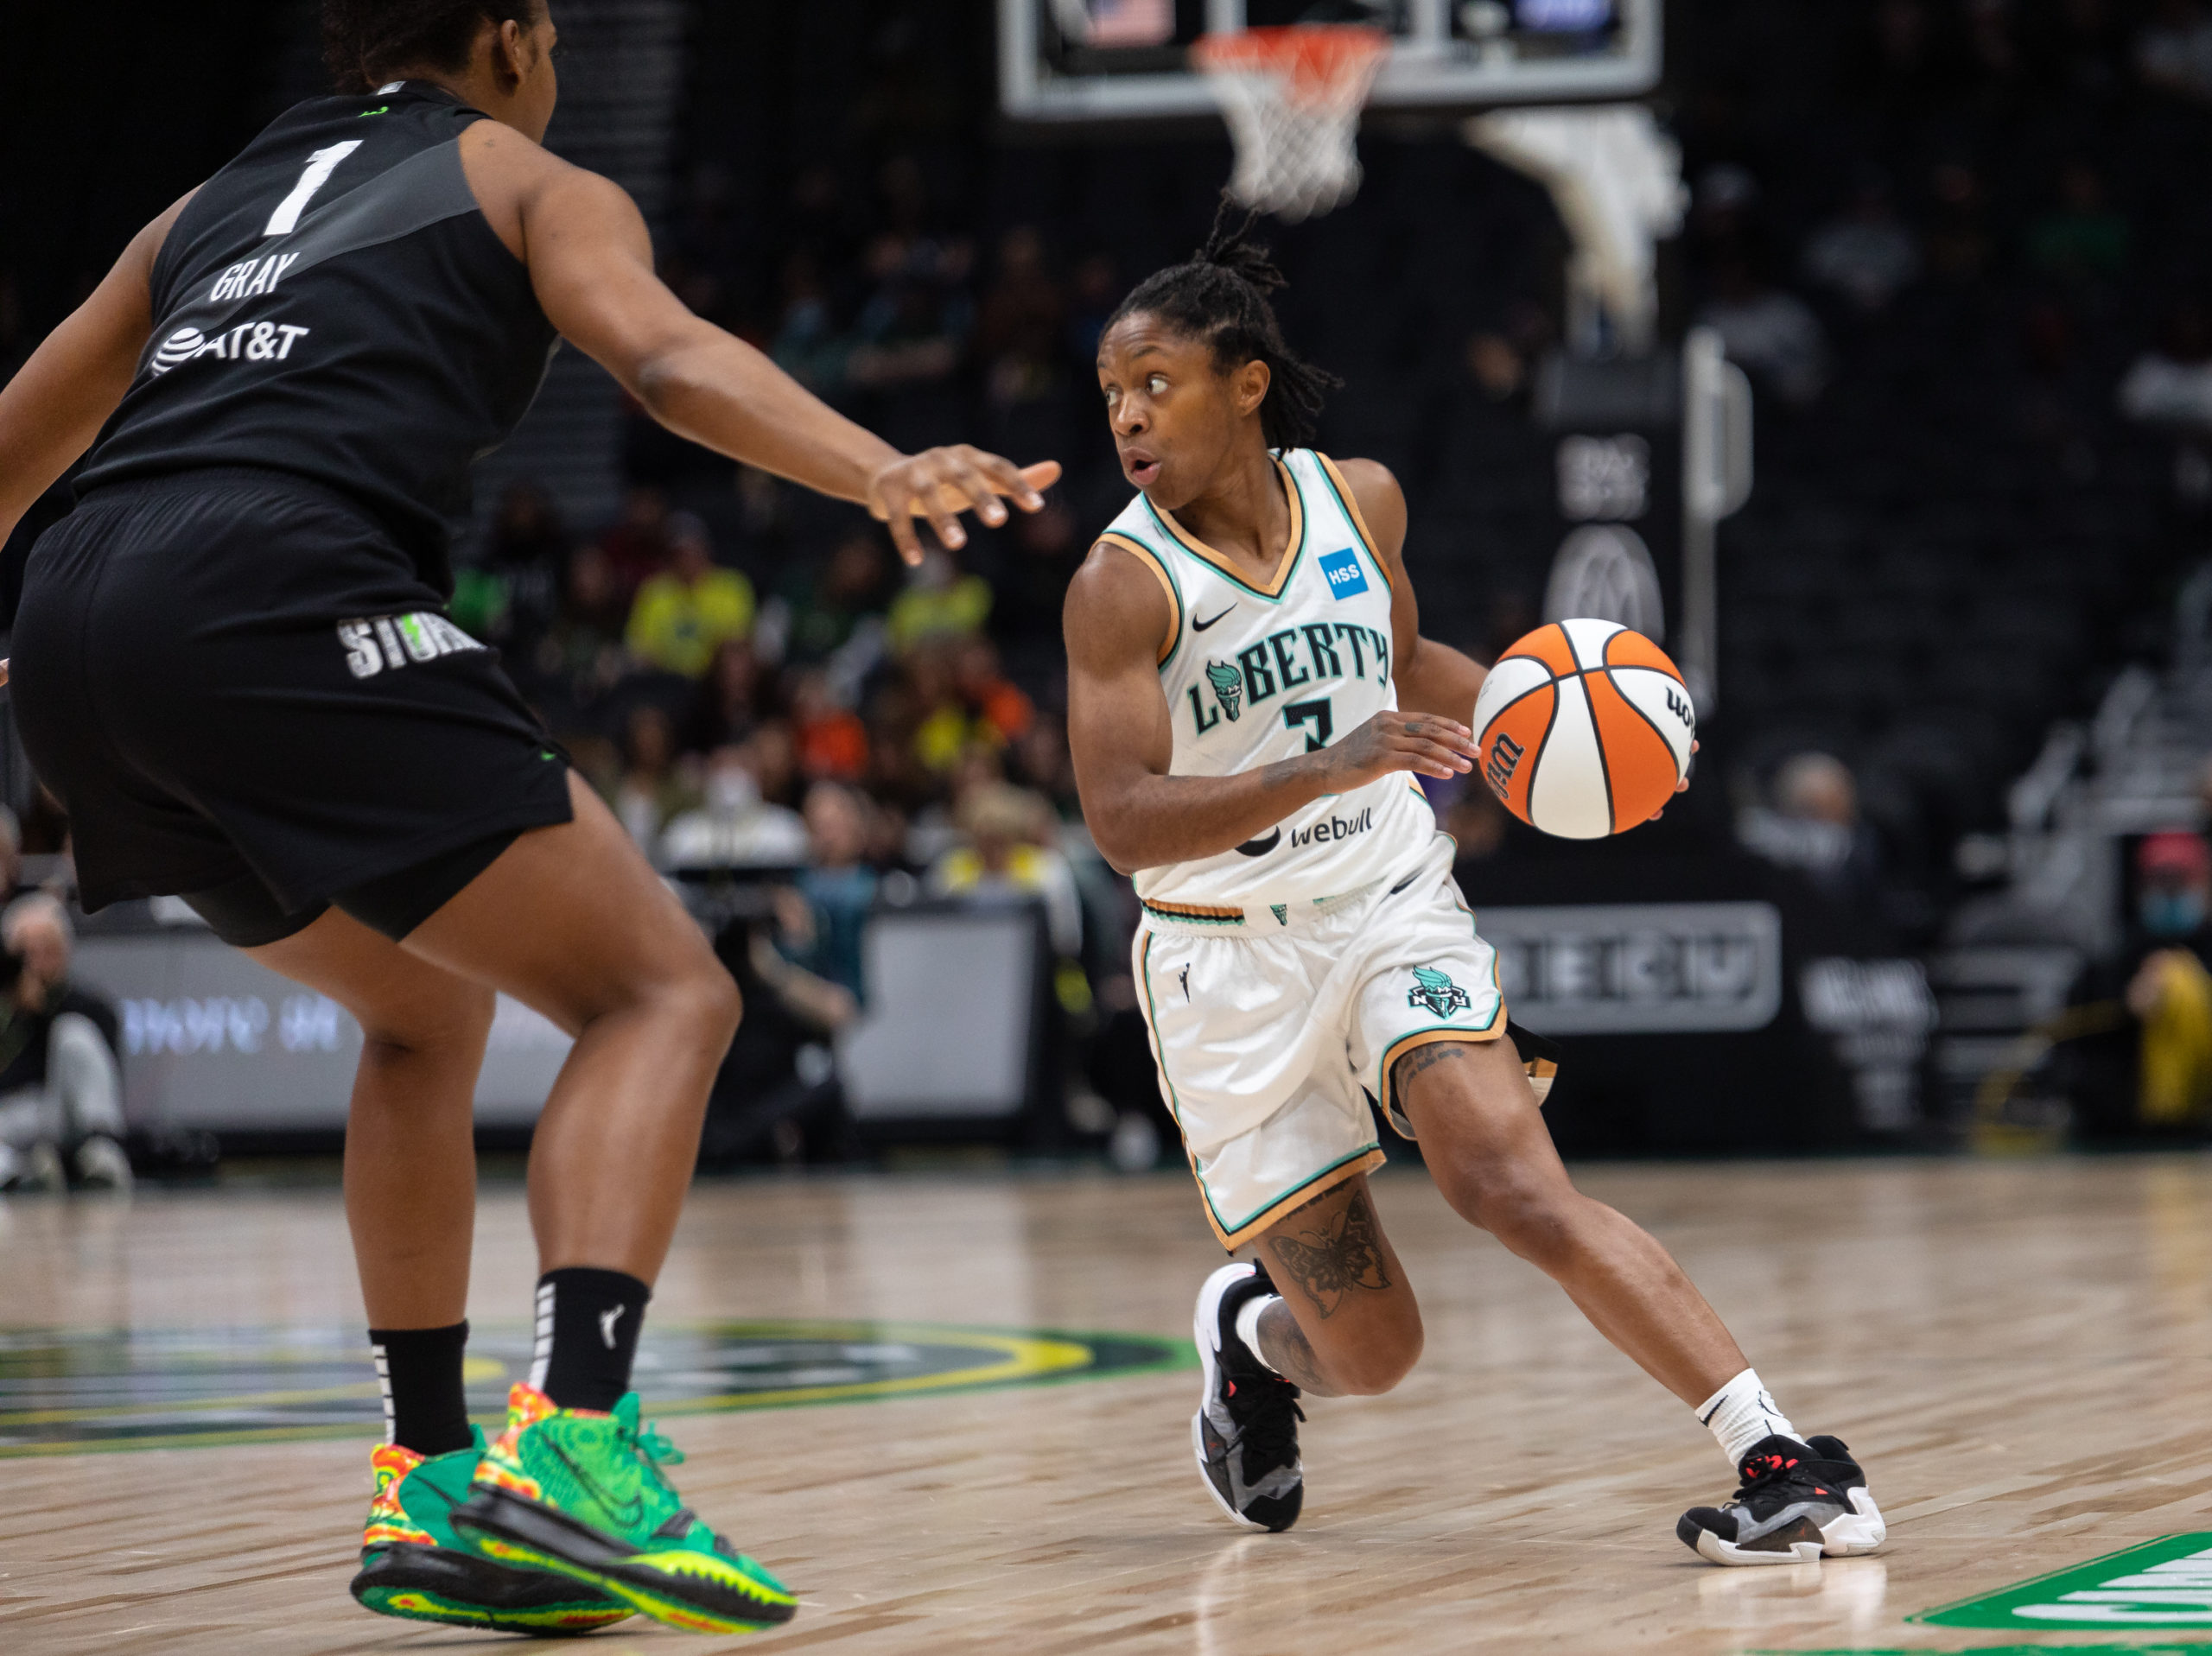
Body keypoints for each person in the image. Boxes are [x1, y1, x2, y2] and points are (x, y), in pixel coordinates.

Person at [0, 1, 1055, 1636]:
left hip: (74, 625)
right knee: (666, 991)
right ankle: (570, 1439)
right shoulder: (521, 175)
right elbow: (665, 358)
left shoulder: (202, 206)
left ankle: (428, 1473)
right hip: (276, 582)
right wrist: (874, 467)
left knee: (422, 1006)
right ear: (511, 37)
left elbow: (12, 445)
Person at [1062, 204, 1885, 1564]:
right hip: (1225, 961)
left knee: (1511, 1182)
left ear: (1245, 383)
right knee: (1374, 1351)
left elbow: (1399, 664)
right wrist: (1323, 766)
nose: (1129, 420)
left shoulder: (1358, 498)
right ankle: (1246, 1338)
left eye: (1156, 384)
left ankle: (1784, 1459)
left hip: (1386, 899)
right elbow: (1121, 819)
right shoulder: (1121, 586)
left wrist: (1565, 722)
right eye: (1111, 396)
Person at [0, 894, 130, 1193]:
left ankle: (102, 1150)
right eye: (26, 952)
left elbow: (106, 1067)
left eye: (48, 948)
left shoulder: (87, 1005)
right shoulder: (6, 1012)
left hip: (68, 1116)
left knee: (73, 1032)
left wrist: (45, 1008)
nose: (37, 960)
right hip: (17, 1118)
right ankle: (25, 1176)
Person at [623, 511, 756, 678]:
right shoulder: (654, 591)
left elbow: (738, 644)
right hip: (667, 681)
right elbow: (639, 649)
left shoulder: (731, 586)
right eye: (680, 553)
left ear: (705, 549)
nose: (687, 559)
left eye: (692, 550)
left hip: (715, 682)